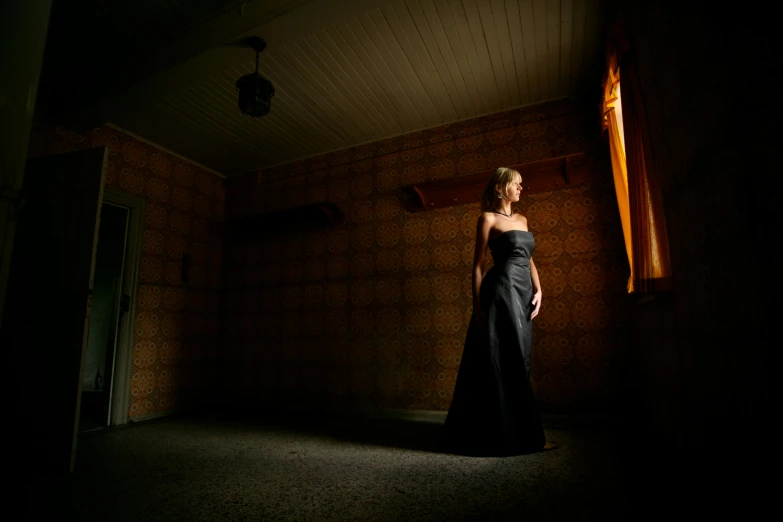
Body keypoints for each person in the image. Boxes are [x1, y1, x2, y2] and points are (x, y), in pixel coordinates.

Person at [442, 167, 556, 456]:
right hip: (500, 291)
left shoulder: (522, 219)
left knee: (520, 360)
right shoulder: (487, 218)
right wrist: (478, 307)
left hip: (524, 292)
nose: (521, 188)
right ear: (499, 188)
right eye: (516, 184)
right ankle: (505, 436)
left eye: (521, 184)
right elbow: (478, 266)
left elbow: (529, 259)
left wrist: (539, 290)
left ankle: (523, 433)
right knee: (499, 359)